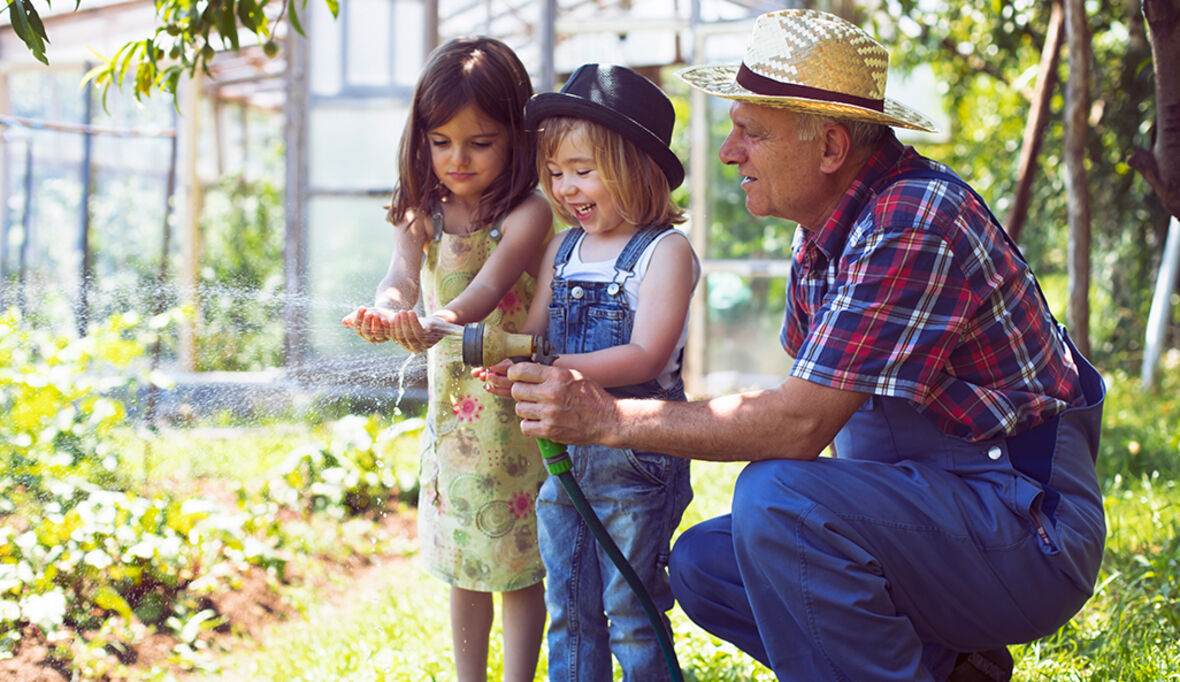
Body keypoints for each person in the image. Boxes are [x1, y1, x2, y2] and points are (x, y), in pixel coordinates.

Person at [496, 10, 1106, 682]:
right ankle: (952, 667)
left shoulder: (911, 222)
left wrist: (610, 418)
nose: (728, 152)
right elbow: (813, 413)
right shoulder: (824, 233)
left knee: (778, 499)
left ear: (831, 148)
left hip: (1024, 530)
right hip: (939, 509)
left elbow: (799, 427)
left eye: (751, 132)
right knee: (707, 565)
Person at [341, 37, 553, 682]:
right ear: (421, 139)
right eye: (441, 142)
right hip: (454, 424)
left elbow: (487, 289)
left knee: (519, 566)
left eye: (480, 143)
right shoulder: (423, 212)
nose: (457, 159)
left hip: (515, 413)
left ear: (516, 137)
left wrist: (439, 320)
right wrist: (387, 311)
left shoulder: (527, 213)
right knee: (464, 560)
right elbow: (400, 276)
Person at [479, 63, 699, 681]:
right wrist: (518, 366)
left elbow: (646, 355)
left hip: (636, 456)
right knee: (569, 608)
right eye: (555, 173)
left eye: (582, 170)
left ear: (638, 168)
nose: (566, 188)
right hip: (566, 456)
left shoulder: (664, 251)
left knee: (630, 608)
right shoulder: (562, 249)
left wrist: (555, 368)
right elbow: (538, 335)